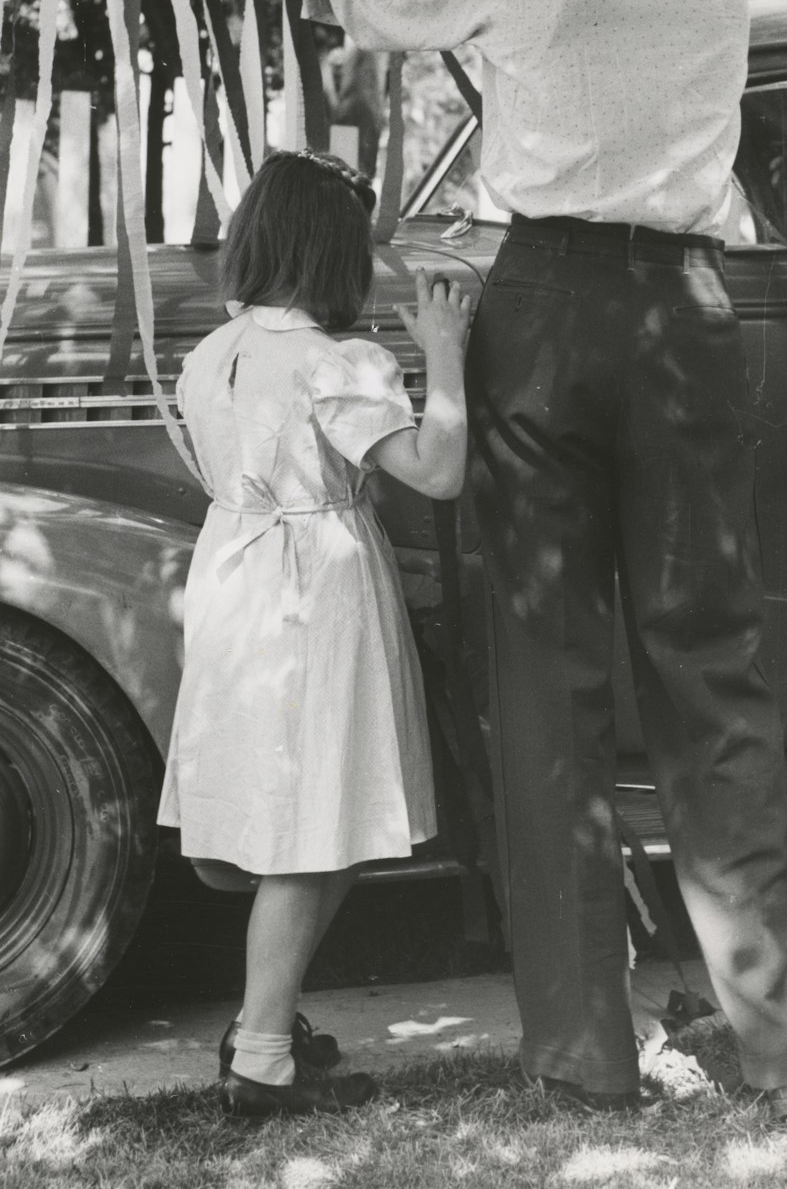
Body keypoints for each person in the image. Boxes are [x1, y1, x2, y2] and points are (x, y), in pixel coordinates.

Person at [302, 0, 787, 1123]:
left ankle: (583, 1054)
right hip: (689, 317)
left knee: (547, 684)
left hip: (547, 310)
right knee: (713, 669)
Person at [157, 150, 470, 1118]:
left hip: (236, 574)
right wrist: (446, 349)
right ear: (332, 248)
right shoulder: (339, 359)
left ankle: (267, 1018)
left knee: (301, 812)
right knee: (315, 824)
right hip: (317, 587)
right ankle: (259, 1052)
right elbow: (438, 469)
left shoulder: (215, 352)